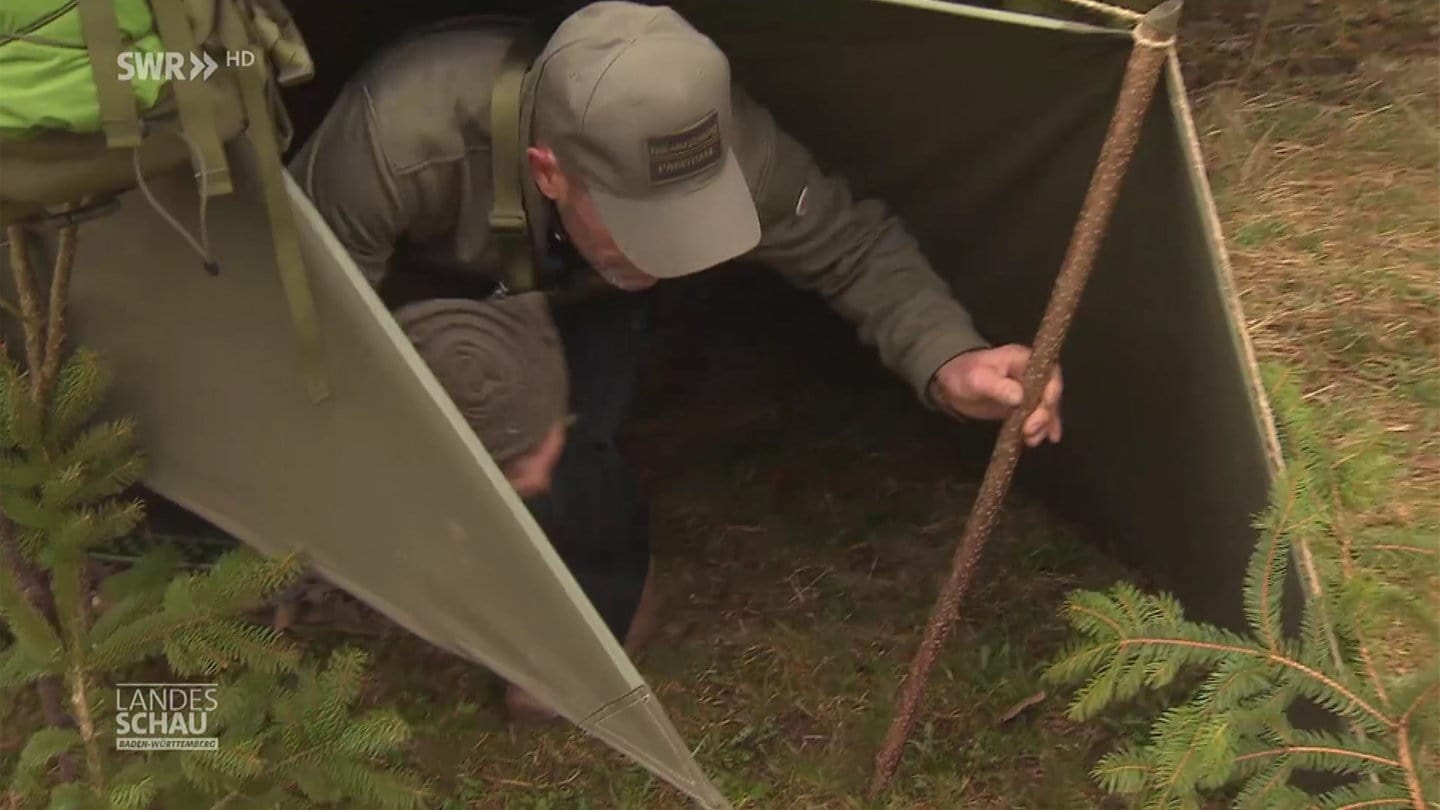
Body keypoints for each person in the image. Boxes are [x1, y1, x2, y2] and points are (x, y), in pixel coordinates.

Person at [291, 0, 1063, 716]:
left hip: (580, 301)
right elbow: (302, 307)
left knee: (558, 452)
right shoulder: (398, 136)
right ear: (548, 169)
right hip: (410, 285)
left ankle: (603, 597)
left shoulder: (734, 144)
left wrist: (949, 357)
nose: (664, 261)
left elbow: (852, 246)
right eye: (636, 223)